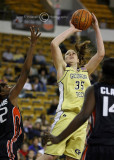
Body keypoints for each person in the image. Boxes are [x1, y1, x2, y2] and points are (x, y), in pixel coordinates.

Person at [38, 13, 105, 160]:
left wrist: (97, 28)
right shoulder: (63, 69)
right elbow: (54, 44)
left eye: (73, 53)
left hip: (82, 121)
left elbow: (100, 54)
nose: (70, 54)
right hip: (66, 115)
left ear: (78, 58)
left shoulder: (86, 71)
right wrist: (72, 29)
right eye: (67, 53)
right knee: (49, 156)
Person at [47, 58, 114, 160]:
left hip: (96, 143)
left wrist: (59, 137)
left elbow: (83, 116)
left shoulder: (94, 89)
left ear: (101, 72)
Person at [0, 26, 41, 160]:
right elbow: (25, 73)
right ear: (1, 93)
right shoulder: (10, 98)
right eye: (4, 86)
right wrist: (32, 45)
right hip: (8, 145)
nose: (8, 85)